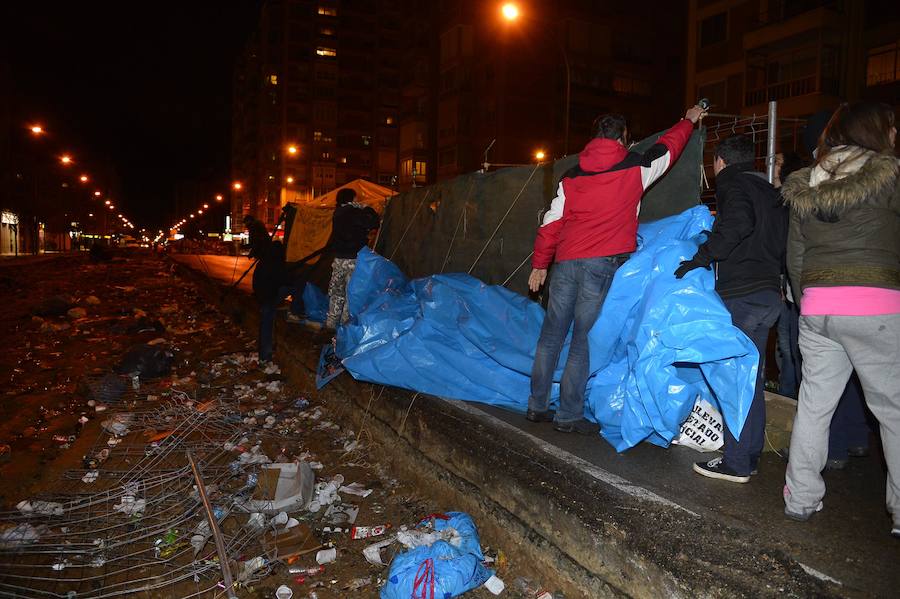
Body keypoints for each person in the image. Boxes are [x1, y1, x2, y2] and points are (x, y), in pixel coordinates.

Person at [527, 103, 706, 434]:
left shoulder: (572, 176)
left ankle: (536, 406)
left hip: (565, 263)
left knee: (551, 333)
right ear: (624, 138)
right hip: (602, 266)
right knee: (582, 339)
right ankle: (568, 415)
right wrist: (689, 120)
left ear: (594, 137)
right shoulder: (634, 167)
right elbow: (668, 148)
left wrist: (540, 264)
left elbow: (551, 222)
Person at [780, 102, 899, 537]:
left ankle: (801, 497)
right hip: (877, 303)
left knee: (814, 405)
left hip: (817, 305)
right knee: (893, 411)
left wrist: (804, 297)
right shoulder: (890, 174)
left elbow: (796, 255)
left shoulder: (807, 182)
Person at [677, 135, 788, 483]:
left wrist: (701, 258)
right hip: (769, 294)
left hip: (743, 295)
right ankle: (749, 454)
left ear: (720, 161)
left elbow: (737, 225)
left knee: (734, 380)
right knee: (750, 380)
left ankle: (736, 462)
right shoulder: (772, 193)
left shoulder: (732, 185)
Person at [247, 214, 306, 363]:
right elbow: (287, 281)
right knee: (299, 283)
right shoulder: (278, 264)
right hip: (270, 294)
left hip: (262, 294)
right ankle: (296, 311)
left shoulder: (264, 262)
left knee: (266, 322)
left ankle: (264, 355)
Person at [326, 188, 379, 330]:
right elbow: (374, 222)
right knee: (351, 294)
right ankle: (344, 328)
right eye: (356, 198)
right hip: (353, 260)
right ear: (352, 199)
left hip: (338, 260)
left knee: (337, 293)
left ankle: (330, 326)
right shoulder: (354, 212)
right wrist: (366, 207)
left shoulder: (337, 213)